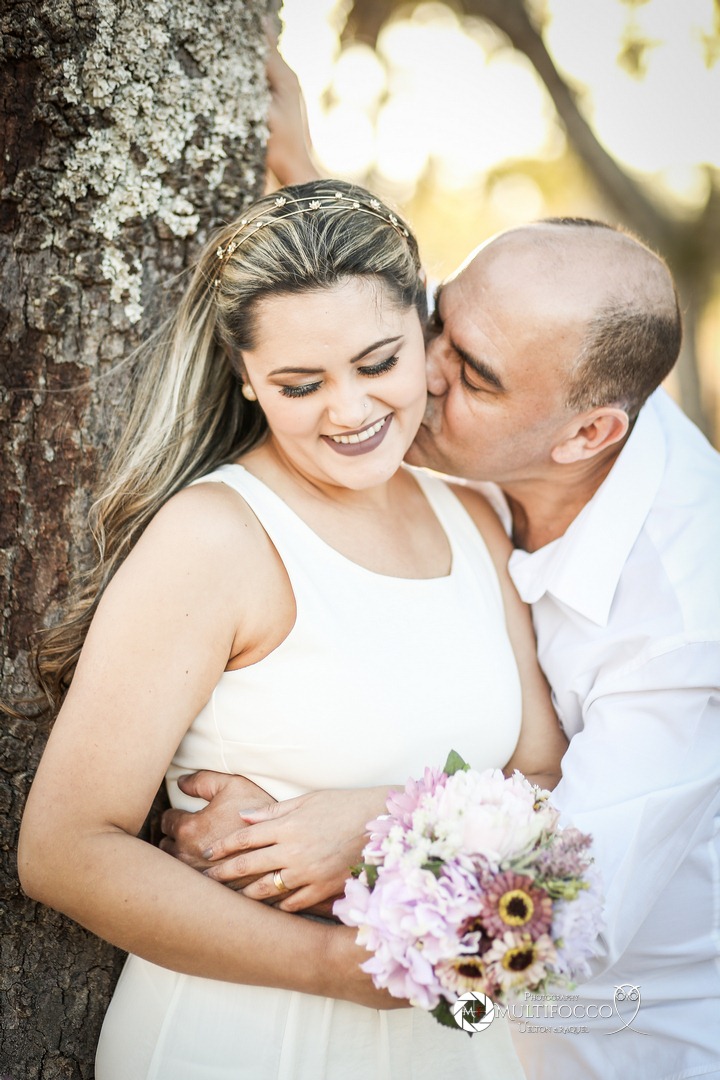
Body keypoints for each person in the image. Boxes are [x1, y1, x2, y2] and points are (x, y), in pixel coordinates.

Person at [161, 50, 720, 1080]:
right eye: (436, 328)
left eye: (469, 378)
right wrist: (308, 171)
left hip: (618, 1033)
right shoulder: (524, 376)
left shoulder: (688, 617)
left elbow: (556, 916)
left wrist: (366, 825)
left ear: (583, 436)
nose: (413, 377)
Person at [18, 178, 567, 1079]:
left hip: (450, 1045)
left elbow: (542, 777)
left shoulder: (472, 518)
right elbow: (65, 850)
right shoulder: (215, 537)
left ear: (426, 338)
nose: (348, 412)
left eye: (378, 362)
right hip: (248, 1039)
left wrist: (391, 823)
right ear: (246, 378)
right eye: (300, 384)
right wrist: (330, 967)